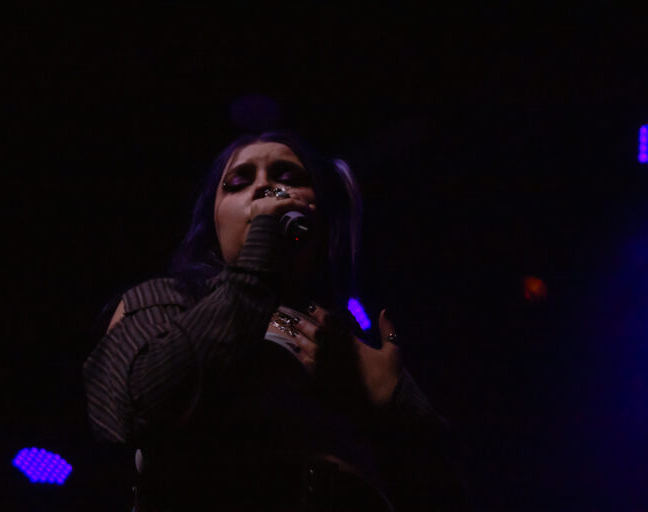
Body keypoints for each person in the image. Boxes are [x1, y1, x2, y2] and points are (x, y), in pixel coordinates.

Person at [83, 131, 468, 511]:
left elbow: (449, 487)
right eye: (239, 182)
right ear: (214, 223)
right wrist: (261, 252)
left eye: (289, 177)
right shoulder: (166, 300)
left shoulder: (345, 338)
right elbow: (141, 406)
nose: (266, 188)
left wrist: (394, 401)